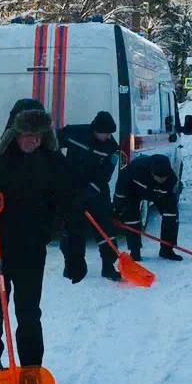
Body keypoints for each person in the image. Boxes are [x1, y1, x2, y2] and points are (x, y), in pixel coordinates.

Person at [0, 98, 73, 372]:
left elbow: (69, 202)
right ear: (14, 133)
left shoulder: (53, 161)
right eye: (28, 136)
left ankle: (31, 367)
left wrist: (71, 247)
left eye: (39, 136)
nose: (34, 141)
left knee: (29, 310)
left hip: (33, 249)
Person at [57, 110, 122, 282]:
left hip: (97, 191)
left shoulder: (112, 148)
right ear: (95, 129)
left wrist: (89, 193)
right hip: (71, 188)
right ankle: (71, 266)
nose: (107, 136)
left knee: (106, 230)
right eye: (105, 133)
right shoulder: (74, 133)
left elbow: (104, 175)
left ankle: (108, 267)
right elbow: (52, 142)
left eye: (110, 134)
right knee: (71, 231)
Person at [112, 153, 183, 262]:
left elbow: (170, 201)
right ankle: (135, 252)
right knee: (131, 219)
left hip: (157, 193)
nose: (161, 180)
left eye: (164, 177)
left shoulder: (171, 180)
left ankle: (167, 250)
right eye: (159, 177)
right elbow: (121, 189)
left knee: (171, 215)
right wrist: (118, 208)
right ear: (151, 172)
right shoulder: (134, 169)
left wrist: (169, 211)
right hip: (133, 191)